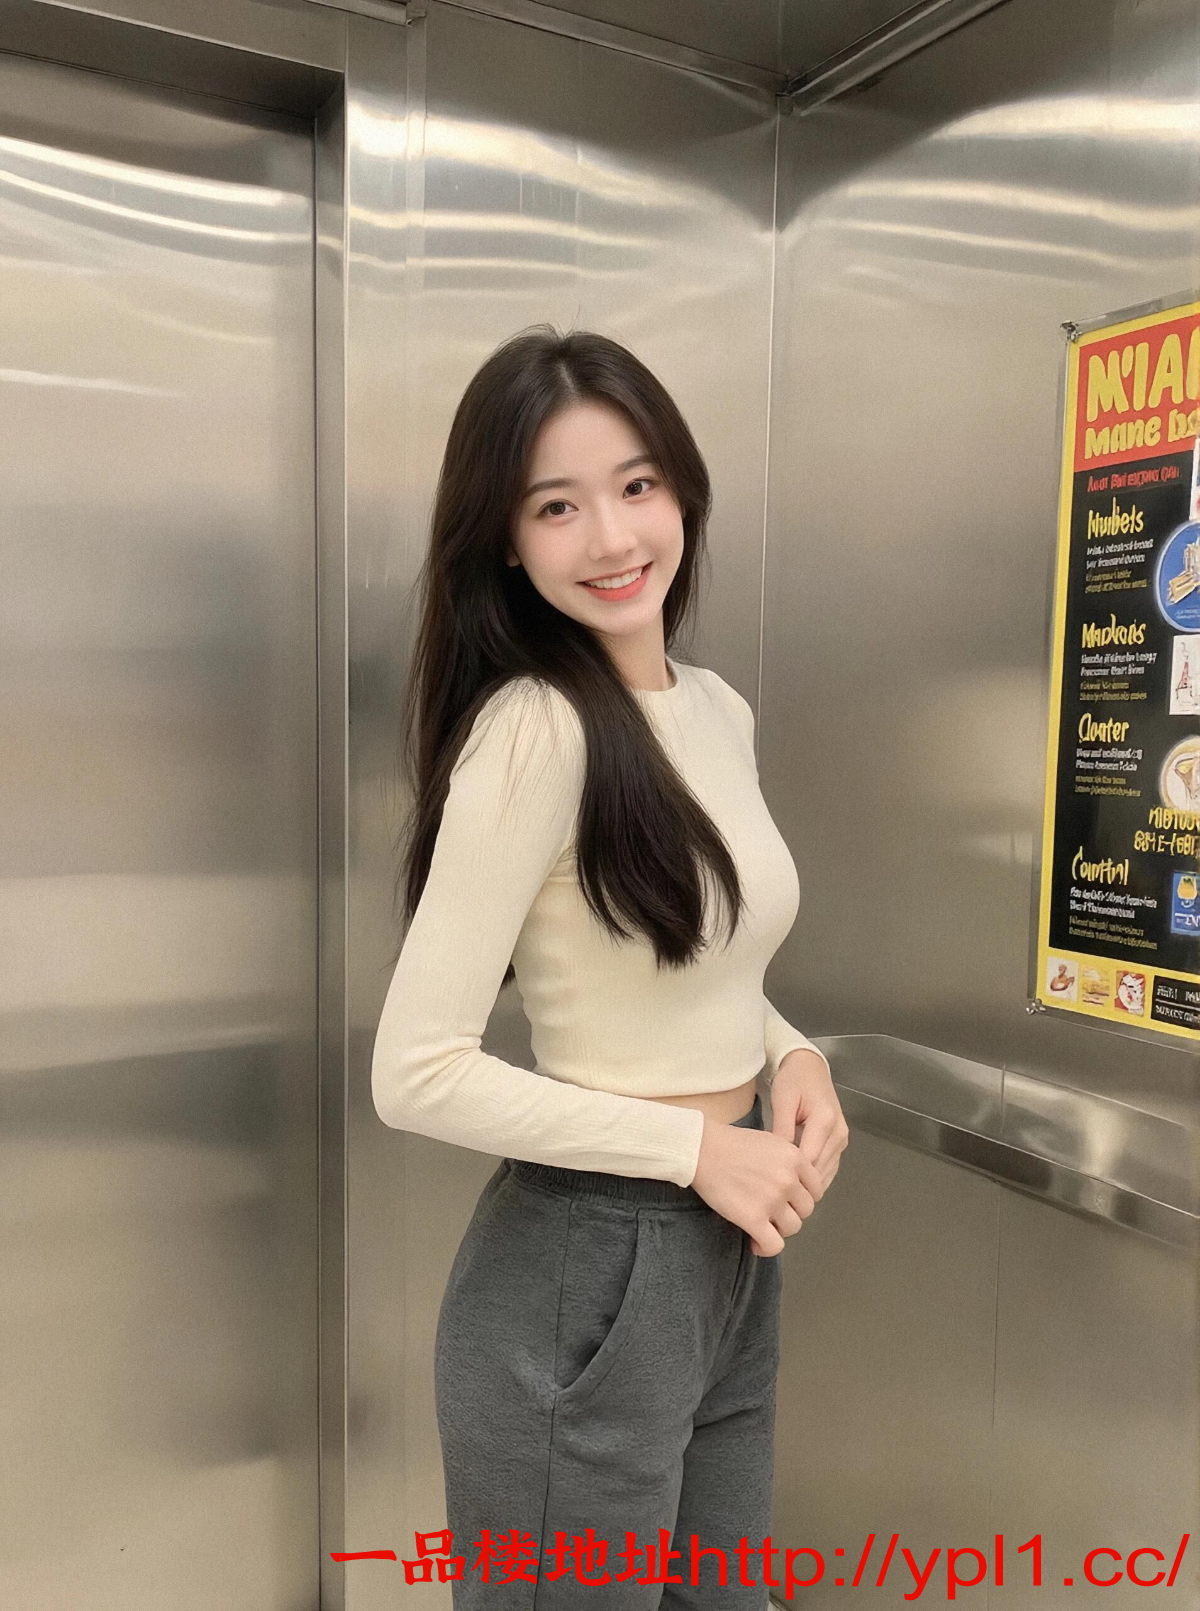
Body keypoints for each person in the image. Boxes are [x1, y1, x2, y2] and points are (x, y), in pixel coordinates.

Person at [370, 325, 848, 1609]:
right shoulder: (534, 733)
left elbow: (700, 956)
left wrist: (792, 1054)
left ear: (681, 486)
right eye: (557, 506)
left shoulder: (718, 710)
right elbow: (414, 1074)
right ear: (506, 541)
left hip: (730, 1254)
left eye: (637, 484)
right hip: (583, 1266)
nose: (613, 536)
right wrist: (697, 1151)